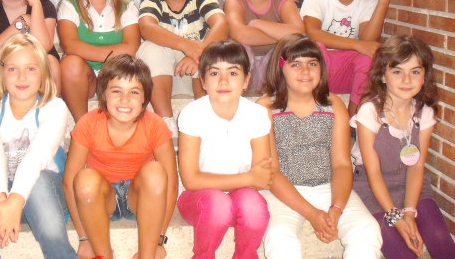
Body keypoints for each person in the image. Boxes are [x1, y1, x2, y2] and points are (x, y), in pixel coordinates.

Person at [259, 34, 382, 259]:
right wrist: (313, 214)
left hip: (328, 186)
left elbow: (342, 165)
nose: (305, 71)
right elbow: (272, 172)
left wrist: (336, 208)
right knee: (280, 238)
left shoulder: (333, 104)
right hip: (281, 191)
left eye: (312, 64)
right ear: (280, 68)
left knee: (367, 230)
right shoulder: (266, 108)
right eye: (295, 64)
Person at [0, 34, 77, 259]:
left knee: (39, 188)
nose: (22, 77)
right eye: (12, 69)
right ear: (1, 73)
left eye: (31, 69)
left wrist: (16, 200)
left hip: (45, 195)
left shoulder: (54, 107)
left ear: (43, 73)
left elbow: (37, 157)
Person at [63, 54, 178, 259]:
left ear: (144, 98)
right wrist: (84, 237)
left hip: (140, 199)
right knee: (85, 179)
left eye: (134, 92)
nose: (125, 99)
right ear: (104, 94)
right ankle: (103, 255)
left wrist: (160, 240)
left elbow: (170, 184)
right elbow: (70, 181)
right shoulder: (88, 123)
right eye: (116, 91)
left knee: (156, 172)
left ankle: (147, 256)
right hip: (103, 200)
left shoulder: (155, 125)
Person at [351, 35, 455, 259]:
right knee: (404, 253)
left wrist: (409, 212)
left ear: (425, 76)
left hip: (412, 186)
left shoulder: (424, 112)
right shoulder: (369, 112)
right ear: (383, 75)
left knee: (442, 242)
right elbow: (373, 172)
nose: (407, 80)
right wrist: (396, 218)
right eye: (397, 71)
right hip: (372, 189)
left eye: (415, 72)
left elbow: (416, 167)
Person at [178, 40, 273, 259]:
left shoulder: (257, 114)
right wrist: (249, 178)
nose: (223, 80)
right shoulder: (192, 113)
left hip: (241, 198)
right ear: (203, 81)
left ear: (246, 80)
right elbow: (191, 181)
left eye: (233, 73)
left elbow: (262, 178)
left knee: (254, 208)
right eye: (214, 73)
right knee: (219, 205)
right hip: (199, 201)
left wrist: (252, 180)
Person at [137, 0, 228, 137]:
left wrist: (199, 53)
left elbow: (221, 24)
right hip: (163, 78)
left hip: (197, 75)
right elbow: (146, 27)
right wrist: (189, 47)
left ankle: (206, 117)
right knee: (149, 48)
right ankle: (166, 121)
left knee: (215, 50)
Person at [300, 0, 396, 116]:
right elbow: (312, 33)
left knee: (368, 58)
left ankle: (353, 117)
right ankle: (313, 111)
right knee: (317, 48)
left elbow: (368, 42)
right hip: (315, 70)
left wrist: (384, 1)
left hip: (345, 73)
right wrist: (356, 44)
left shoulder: (368, 0)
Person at [58, 0, 141, 121]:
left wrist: (99, 57)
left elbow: (132, 47)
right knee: (70, 63)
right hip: (85, 78)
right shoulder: (69, 5)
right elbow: (70, 45)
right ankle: (82, 124)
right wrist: (109, 54)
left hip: (116, 74)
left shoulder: (127, 6)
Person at [225, 0, 304, 94]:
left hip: (274, 65)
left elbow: (299, 31)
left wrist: (257, 23)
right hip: (245, 65)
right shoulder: (234, 1)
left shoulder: (282, 0)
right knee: (239, 50)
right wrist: (282, 36)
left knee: (290, 52)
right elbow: (240, 34)